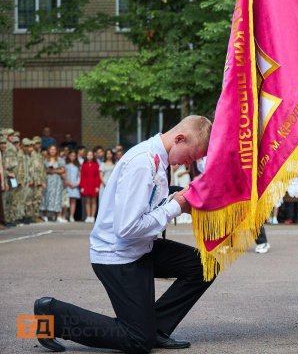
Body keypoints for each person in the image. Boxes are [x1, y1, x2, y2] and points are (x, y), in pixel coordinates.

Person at [33, 115, 214, 353]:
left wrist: (175, 199)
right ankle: (51, 316)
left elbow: (149, 207)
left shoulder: (159, 159)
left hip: (140, 247)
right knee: (138, 342)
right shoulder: (143, 162)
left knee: (204, 265)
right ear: (180, 139)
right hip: (118, 255)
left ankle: (156, 328)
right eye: (190, 156)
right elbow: (127, 228)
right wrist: (175, 206)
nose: (187, 164)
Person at [41, 145, 65, 222]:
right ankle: (45, 215)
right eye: (51, 149)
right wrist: (48, 171)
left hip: (57, 181)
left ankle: (58, 215)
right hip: (47, 180)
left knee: (57, 197)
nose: (52, 151)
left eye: (54, 149)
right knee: (46, 196)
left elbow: (63, 170)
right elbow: (42, 170)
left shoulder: (60, 160)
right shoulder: (45, 160)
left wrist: (54, 171)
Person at [80, 150, 101, 223]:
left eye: (91, 155)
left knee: (94, 201)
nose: (89, 156)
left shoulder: (96, 165)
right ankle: (88, 216)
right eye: (88, 155)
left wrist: (97, 186)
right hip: (86, 184)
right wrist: (82, 186)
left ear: (93, 156)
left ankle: (92, 216)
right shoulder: (84, 165)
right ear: (86, 156)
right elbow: (82, 176)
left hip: (93, 184)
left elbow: (97, 176)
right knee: (87, 201)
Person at [64, 151, 81, 222]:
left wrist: (76, 184)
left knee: (73, 201)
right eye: (71, 155)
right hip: (67, 185)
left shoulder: (78, 165)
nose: (72, 157)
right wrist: (67, 182)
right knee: (66, 201)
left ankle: (71, 216)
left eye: (74, 156)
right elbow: (64, 175)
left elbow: (79, 176)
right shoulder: (66, 165)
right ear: (68, 156)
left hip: (75, 186)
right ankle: (65, 216)